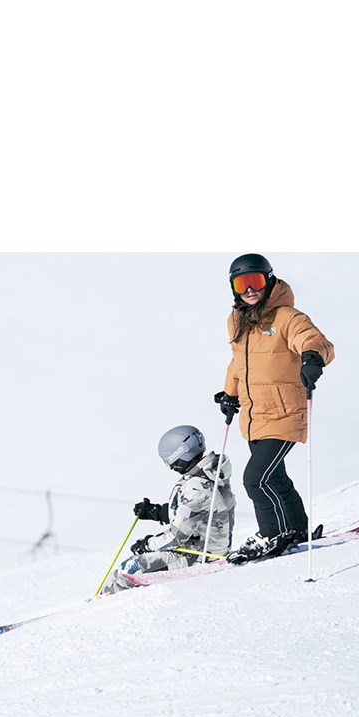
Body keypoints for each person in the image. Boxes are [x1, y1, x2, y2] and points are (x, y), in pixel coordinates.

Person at [214, 253, 334, 563]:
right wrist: (230, 394)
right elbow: (238, 363)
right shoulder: (237, 321)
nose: (249, 289)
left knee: (255, 479)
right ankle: (295, 529)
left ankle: (270, 535)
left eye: (255, 281)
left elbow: (314, 339)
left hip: (285, 413)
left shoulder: (287, 317)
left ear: (268, 280)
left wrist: (312, 358)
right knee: (275, 477)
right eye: (242, 283)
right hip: (255, 416)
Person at [101, 425, 236, 593]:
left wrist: (147, 544)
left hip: (202, 557)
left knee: (132, 568)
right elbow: (197, 514)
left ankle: (105, 605)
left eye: (168, 461)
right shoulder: (205, 474)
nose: (171, 467)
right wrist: (156, 512)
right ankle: (106, 597)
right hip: (201, 547)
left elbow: (176, 537)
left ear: (178, 455)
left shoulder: (197, 488)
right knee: (129, 567)